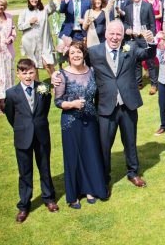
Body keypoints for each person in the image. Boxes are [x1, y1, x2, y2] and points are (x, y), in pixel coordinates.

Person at [58, 20, 155, 194]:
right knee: (104, 145)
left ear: (123, 36)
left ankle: (133, 173)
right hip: (105, 106)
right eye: (112, 33)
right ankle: (104, 178)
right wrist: (59, 74)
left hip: (128, 104)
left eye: (119, 34)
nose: (115, 37)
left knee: (130, 142)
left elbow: (148, 54)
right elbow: (77, 62)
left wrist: (151, 41)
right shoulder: (94, 51)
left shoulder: (131, 48)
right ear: (106, 34)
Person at [53, 41, 107, 209]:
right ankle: (74, 194)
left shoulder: (92, 72)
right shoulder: (61, 75)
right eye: (72, 53)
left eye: (79, 52)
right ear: (68, 56)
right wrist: (72, 104)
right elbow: (57, 101)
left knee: (90, 154)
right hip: (71, 121)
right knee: (73, 157)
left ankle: (90, 189)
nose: (76, 55)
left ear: (84, 54)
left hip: (90, 120)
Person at [4, 59, 58, 223]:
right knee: (25, 172)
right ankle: (24, 205)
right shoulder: (11, 93)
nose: (28, 76)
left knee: (44, 167)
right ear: (18, 74)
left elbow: (45, 109)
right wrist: (23, 127)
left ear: (36, 72)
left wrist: (37, 123)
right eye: (24, 73)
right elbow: (11, 116)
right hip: (23, 137)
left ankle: (49, 198)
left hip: (41, 134)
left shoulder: (44, 88)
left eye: (31, 72)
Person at [121, 0, 157, 93]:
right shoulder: (127, 8)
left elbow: (153, 24)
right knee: (136, 61)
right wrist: (127, 29)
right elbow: (125, 23)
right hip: (133, 38)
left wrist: (151, 36)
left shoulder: (148, 6)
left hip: (145, 38)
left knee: (150, 61)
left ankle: (154, 84)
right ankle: (139, 83)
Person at [18, 0, 57, 72]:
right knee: (33, 66)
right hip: (30, 43)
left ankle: (55, 80)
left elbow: (53, 8)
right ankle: (36, 81)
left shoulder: (44, 10)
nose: (34, 0)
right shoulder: (24, 12)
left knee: (48, 64)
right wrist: (29, 23)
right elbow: (20, 27)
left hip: (44, 42)